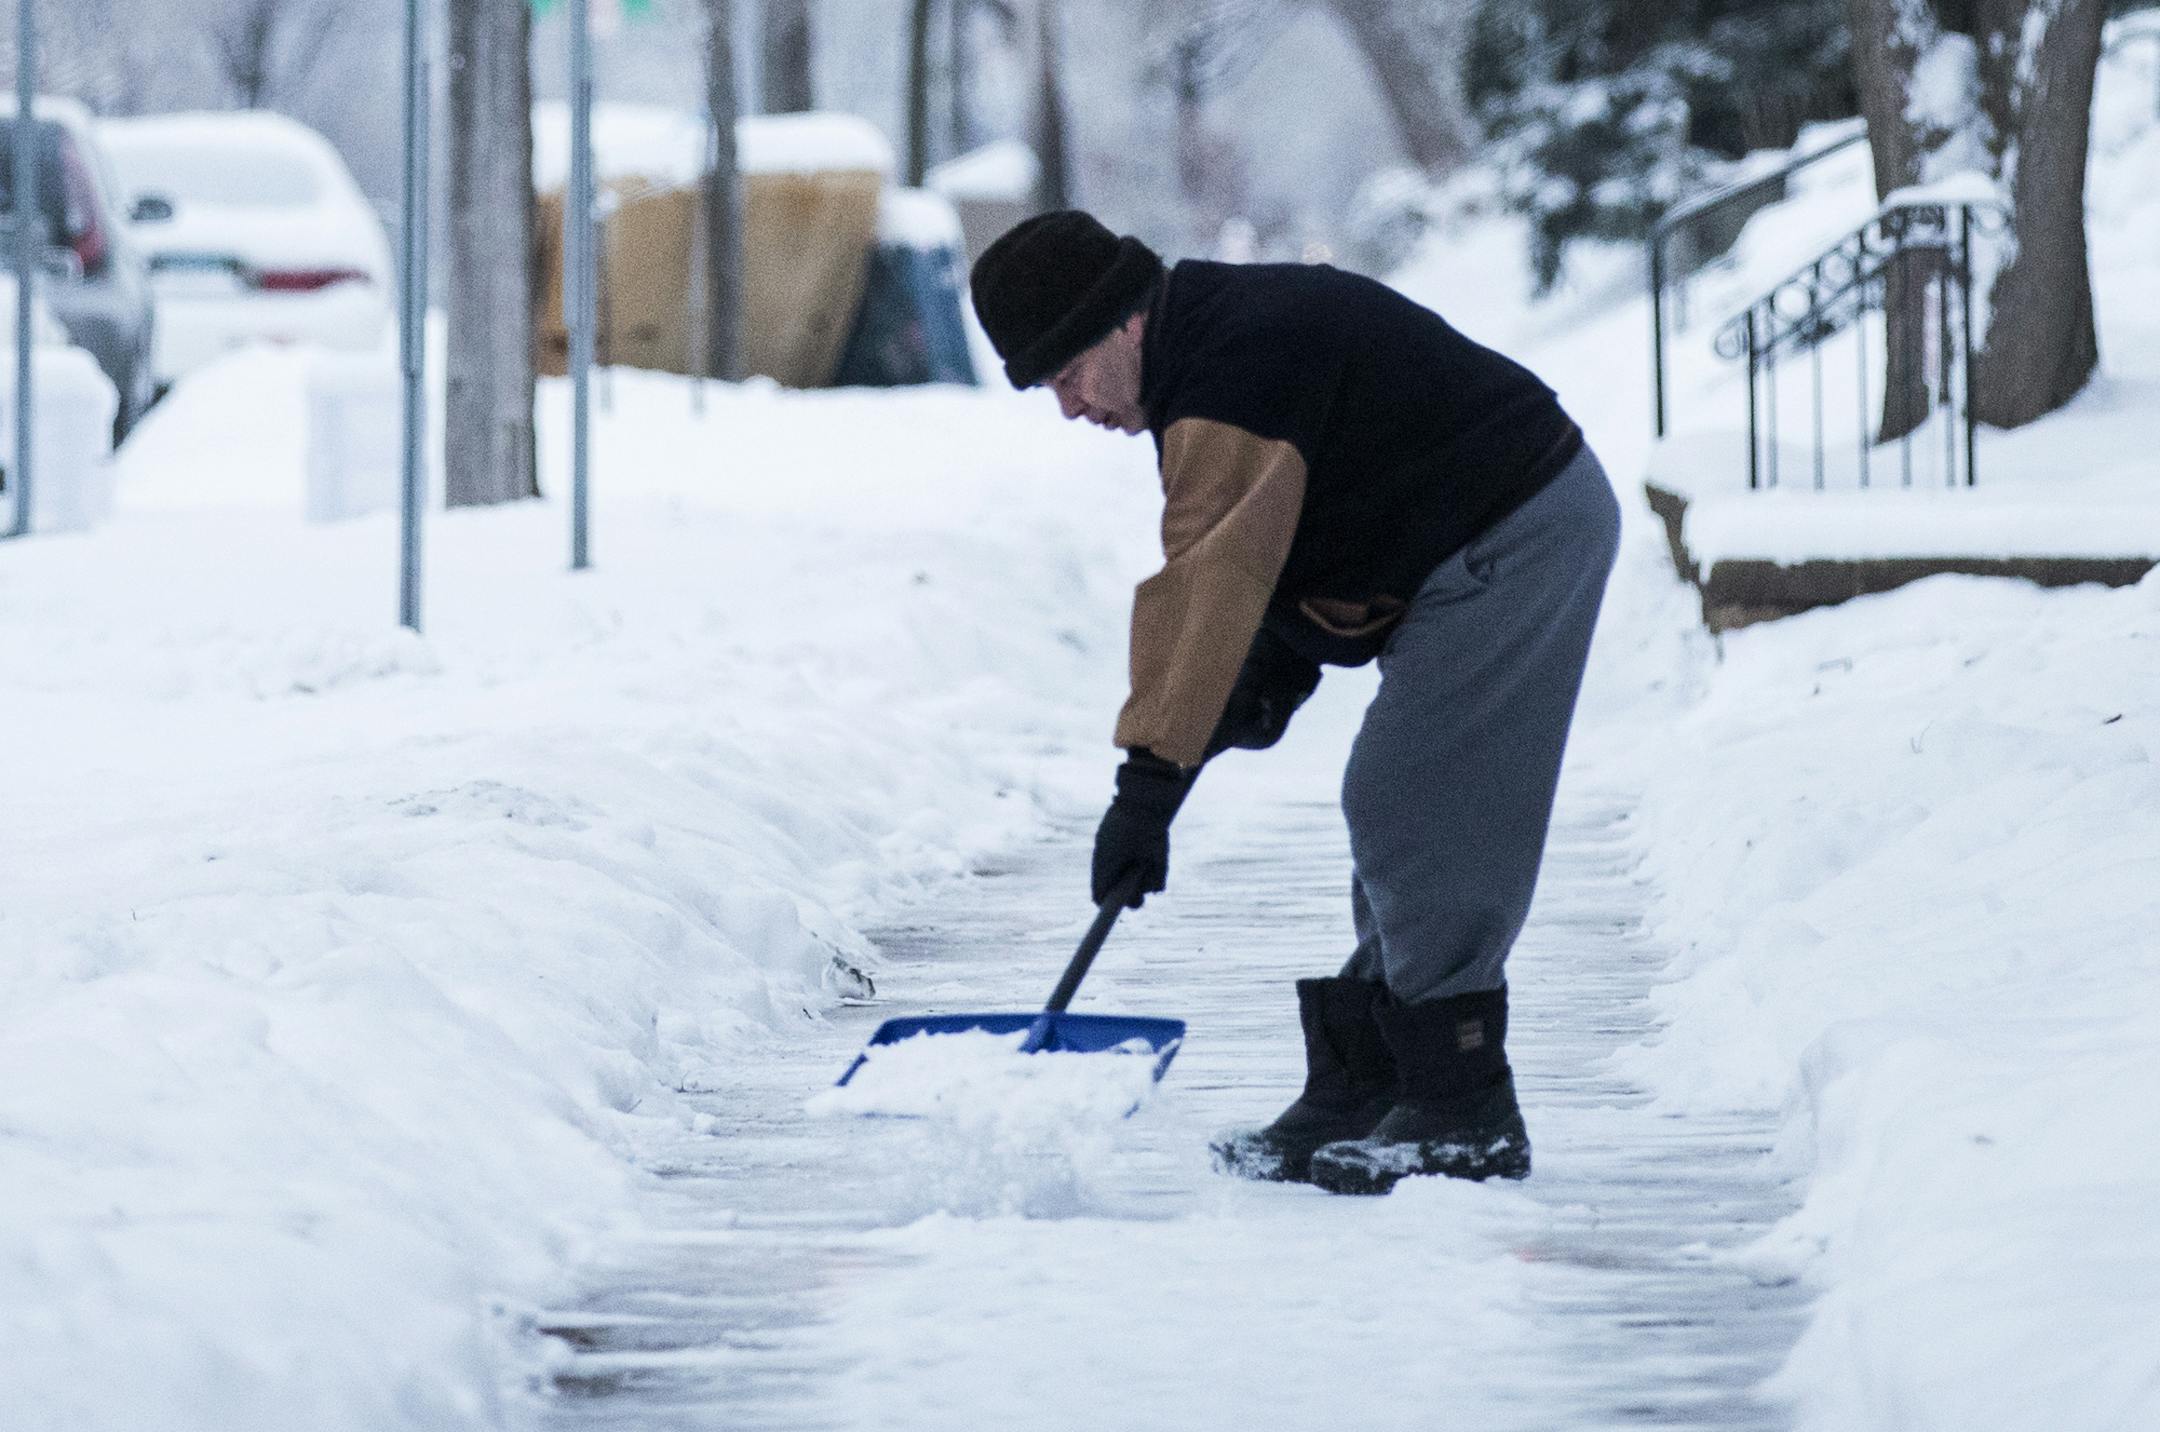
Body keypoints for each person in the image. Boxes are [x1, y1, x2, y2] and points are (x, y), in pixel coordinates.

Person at [967, 211, 1621, 1196]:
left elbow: (1208, 579)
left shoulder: (1229, 365)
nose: (1069, 408)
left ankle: (1462, 1103)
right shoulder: (1207, 353)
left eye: (1065, 375)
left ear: (1120, 323)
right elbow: (1276, 546)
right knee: (1406, 799)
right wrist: (1251, 681)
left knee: (1410, 788)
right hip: (1462, 543)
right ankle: (1369, 1081)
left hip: (1517, 530)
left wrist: (1147, 786)